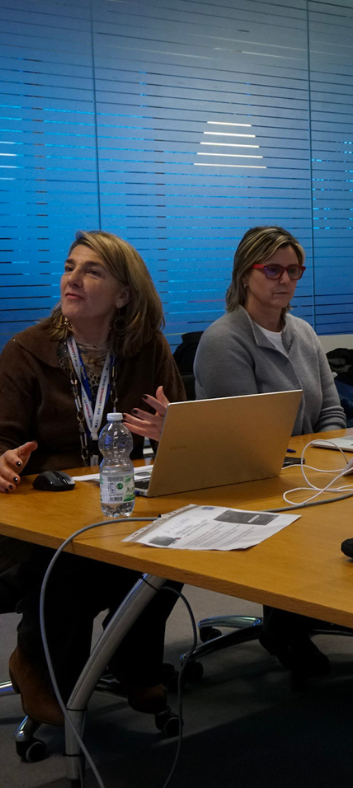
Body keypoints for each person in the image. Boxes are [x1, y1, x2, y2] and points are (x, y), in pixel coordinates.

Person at [0, 230, 186, 725]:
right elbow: (1, 438)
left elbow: (185, 427)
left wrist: (174, 433)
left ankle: (133, 662)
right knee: (69, 559)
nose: (73, 279)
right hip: (38, 516)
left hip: (119, 502)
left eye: (92, 271)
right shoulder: (26, 351)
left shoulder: (148, 349)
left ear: (123, 295)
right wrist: (2, 458)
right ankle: (38, 666)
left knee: (175, 544)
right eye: (70, 267)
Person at [194, 226, 346, 678]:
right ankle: (285, 627)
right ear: (246, 274)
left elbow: (332, 410)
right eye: (273, 270)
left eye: (294, 271)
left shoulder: (303, 332)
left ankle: (320, 608)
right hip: (247, 480)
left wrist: (329, 457)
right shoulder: (224, 340)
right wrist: (310, 465)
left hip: (303, 471)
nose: (285, 280)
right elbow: (247, 439)